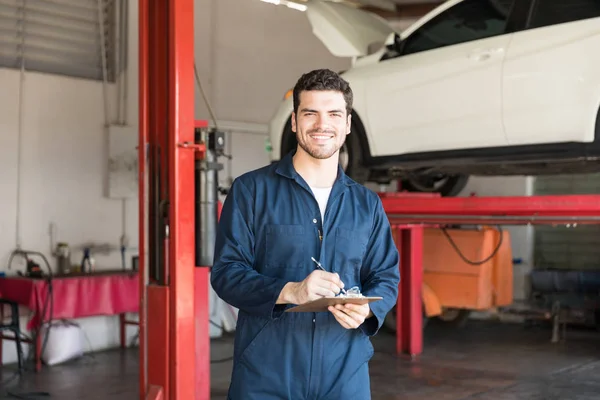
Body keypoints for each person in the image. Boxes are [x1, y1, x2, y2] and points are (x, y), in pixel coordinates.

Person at [211, 68, 400, 400]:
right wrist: (291, 291)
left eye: (333, 114)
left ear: (347, 124)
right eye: (310, 113)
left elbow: (385, 275)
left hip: (345, 374)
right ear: (295, 122)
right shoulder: (252, 191)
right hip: (265, 375)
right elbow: (226, 273)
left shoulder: (366, 203)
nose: (322, 124)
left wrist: (368, 310)